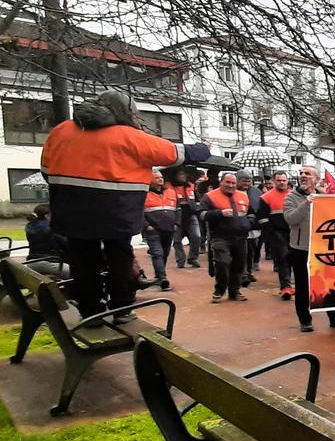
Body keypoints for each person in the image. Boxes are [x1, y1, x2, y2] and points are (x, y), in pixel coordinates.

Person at [40, 90, 210, 321]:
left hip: (72, 210)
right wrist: (203, 148)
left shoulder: (62, 131)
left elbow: (46, 170)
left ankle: (91, 313)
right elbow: (174, 153)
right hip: (115, 211)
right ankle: (121, 309)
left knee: (82, 261)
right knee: (119, 258)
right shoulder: (129, 136)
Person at [284, 166, 335, 332]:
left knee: (331, 284)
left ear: (317, 178)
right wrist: (307, 203)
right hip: (302, 249)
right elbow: (291, 219)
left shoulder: (326, 196)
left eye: (307, 173)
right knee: (303, 286)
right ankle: (305, 320)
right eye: (301, 173)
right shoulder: (291, 198)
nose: (303, 176)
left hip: (324, 248)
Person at [199, 173, 252, 303]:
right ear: (221, 182)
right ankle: (220, 289)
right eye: (227, 182)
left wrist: (249, 224)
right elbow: (201, 214)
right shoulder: (210, 196)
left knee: (239, 265)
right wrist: (219, 213)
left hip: (240, 236)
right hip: (220, 236)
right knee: (222, 263)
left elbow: (251, 213)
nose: (230, 185)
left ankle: (234, 291)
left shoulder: (243, 196)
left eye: (233, 183)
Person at [258, 171, 294, 300]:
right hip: (277, 232)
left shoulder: (293, 195)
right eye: (279, 180)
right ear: (274, 181)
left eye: (284, 180)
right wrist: (272, 233)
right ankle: (285, 287)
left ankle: (292, 284)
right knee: (283, 258)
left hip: (293, 231)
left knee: (294, 259)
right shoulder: (266, 197)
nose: (282, 183)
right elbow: (262, 218)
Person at [142, 169, 177, 291]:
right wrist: (146, 225)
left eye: (161, 177)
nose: (160, 179)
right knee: (157, 253)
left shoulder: (171, 192)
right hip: (153, 230)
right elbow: (138, 212)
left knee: (165, 253)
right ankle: (162, 278)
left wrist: (177, 223)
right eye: (156, 178)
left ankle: (159, 274)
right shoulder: (144, 194)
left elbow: (177, 210)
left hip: (168, 229)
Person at [24, 204, 70, 279]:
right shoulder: (52, 228)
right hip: (51, 263)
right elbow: (67, 244)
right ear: (46, 215)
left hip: (31, 262)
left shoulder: (30, 226)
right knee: (81, 273)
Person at [170, 169, 202, 269]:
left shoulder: (191, 185)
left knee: (196, 236)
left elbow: (197, 198)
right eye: (181, 174)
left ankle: (193, 258)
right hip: (177, 216)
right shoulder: (170, 187)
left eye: (184, 173)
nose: (183, 176)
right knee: (177, 240)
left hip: (191, 215)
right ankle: (180, 260)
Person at [236, 170, 264, 283]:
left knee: (251, 251)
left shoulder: (256, 192)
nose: (246, 184)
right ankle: (241, 274)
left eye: (248, 181)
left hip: (252, 226)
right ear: (238, 181)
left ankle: (248, 272)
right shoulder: (233, 192)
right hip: (237, 226)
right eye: (244, 181)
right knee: (241, 252)